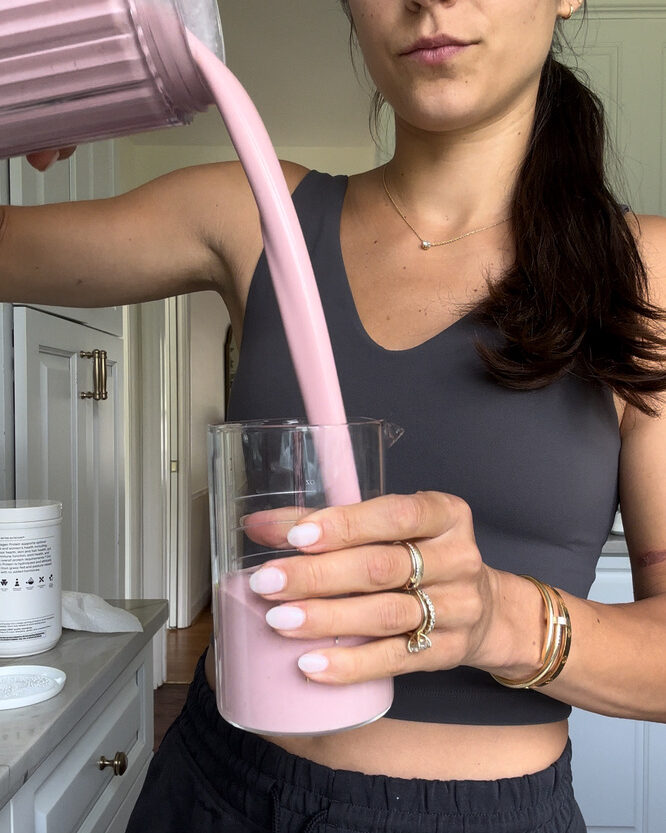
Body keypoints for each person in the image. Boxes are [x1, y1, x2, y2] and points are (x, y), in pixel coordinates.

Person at [4, 0, 666, 830]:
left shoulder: (647, 278)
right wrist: (25, 88)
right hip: (215, 791)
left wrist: (500, 618)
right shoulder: (251, 215)